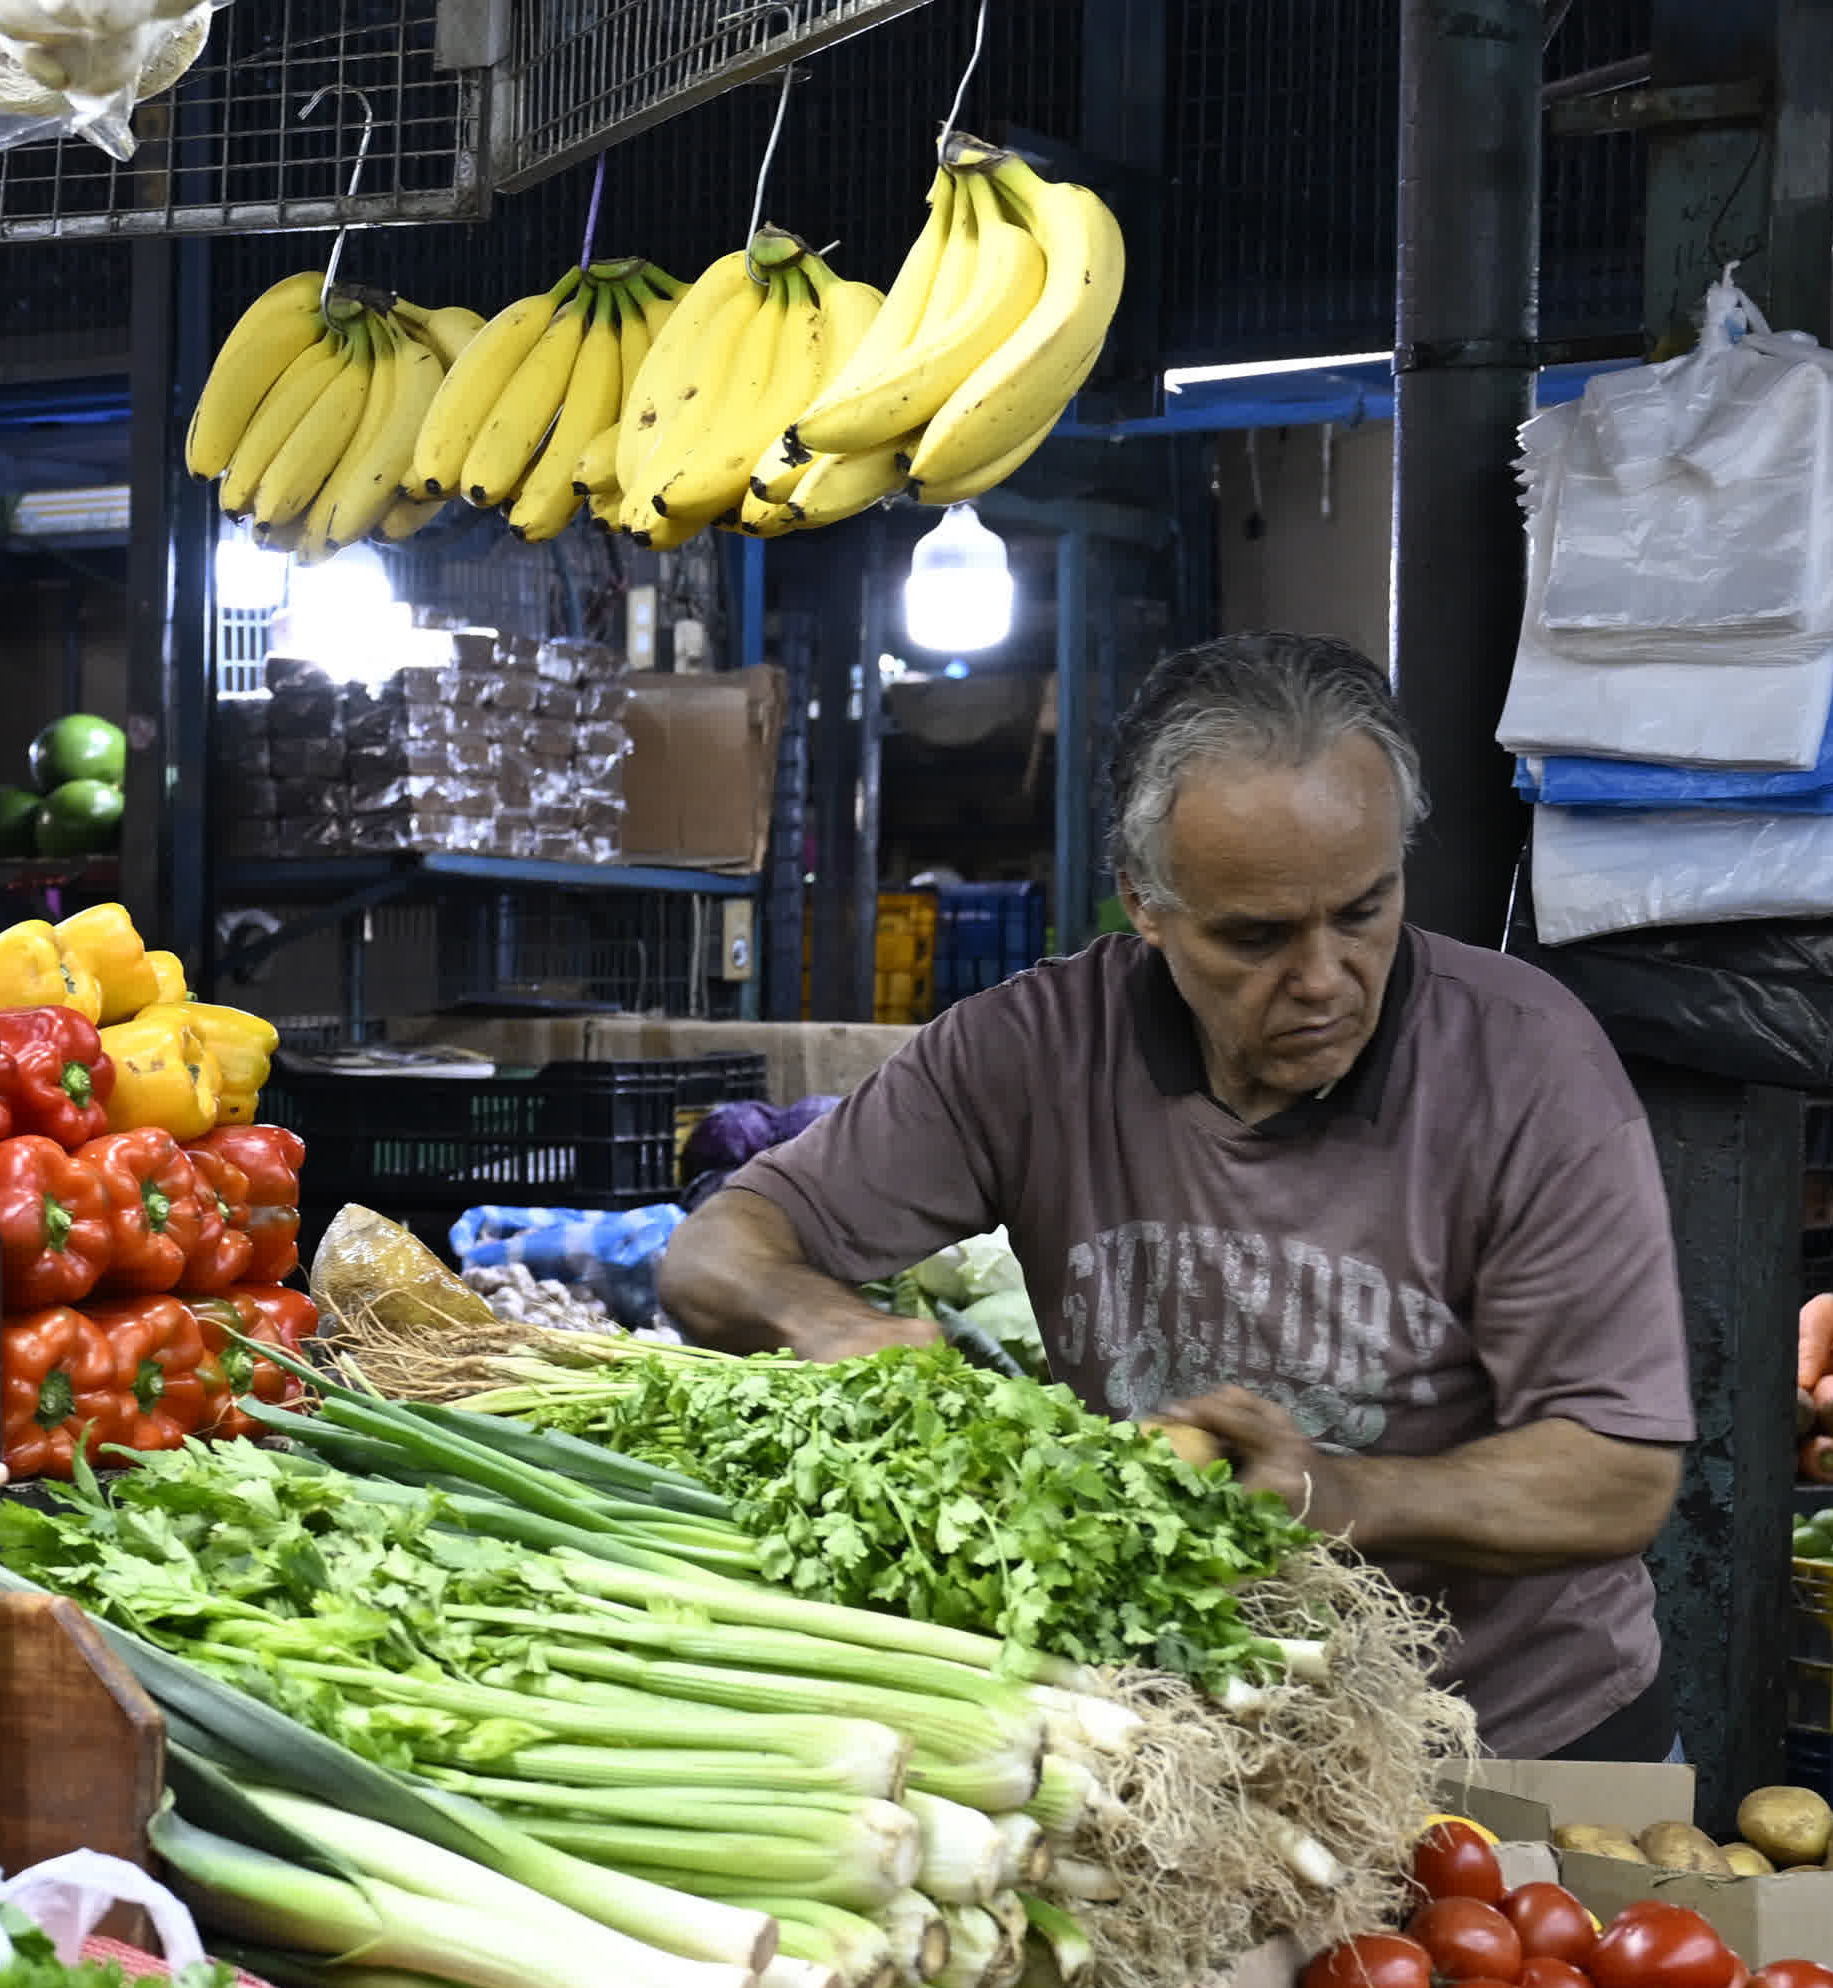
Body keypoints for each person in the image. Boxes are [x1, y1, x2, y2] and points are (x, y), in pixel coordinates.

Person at [655, 630, 1691, 1759]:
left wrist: (1334, 1493)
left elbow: (1616, 1475)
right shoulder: (1032, 1052)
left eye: (1362, 910)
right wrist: (828, 1322)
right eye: (1256, 936)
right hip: (1186, 1737)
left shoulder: (1526, 1064)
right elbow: (714, 1254)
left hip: (1514, 1737)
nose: (1324, 979)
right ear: (1144, 902)